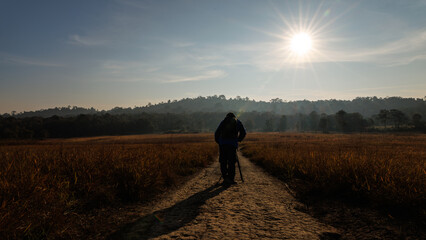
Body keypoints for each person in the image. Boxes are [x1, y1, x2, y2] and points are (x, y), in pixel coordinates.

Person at [214, 112, 246, 185]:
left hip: (223, 144)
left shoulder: (223, 121)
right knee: (231, 162)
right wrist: (238, 140)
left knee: (223, 161)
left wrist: (219, 142)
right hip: (232, 145)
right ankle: (230, 179)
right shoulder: (238, 122)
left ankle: (225, 178)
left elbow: (217, 133)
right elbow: (243, 132)